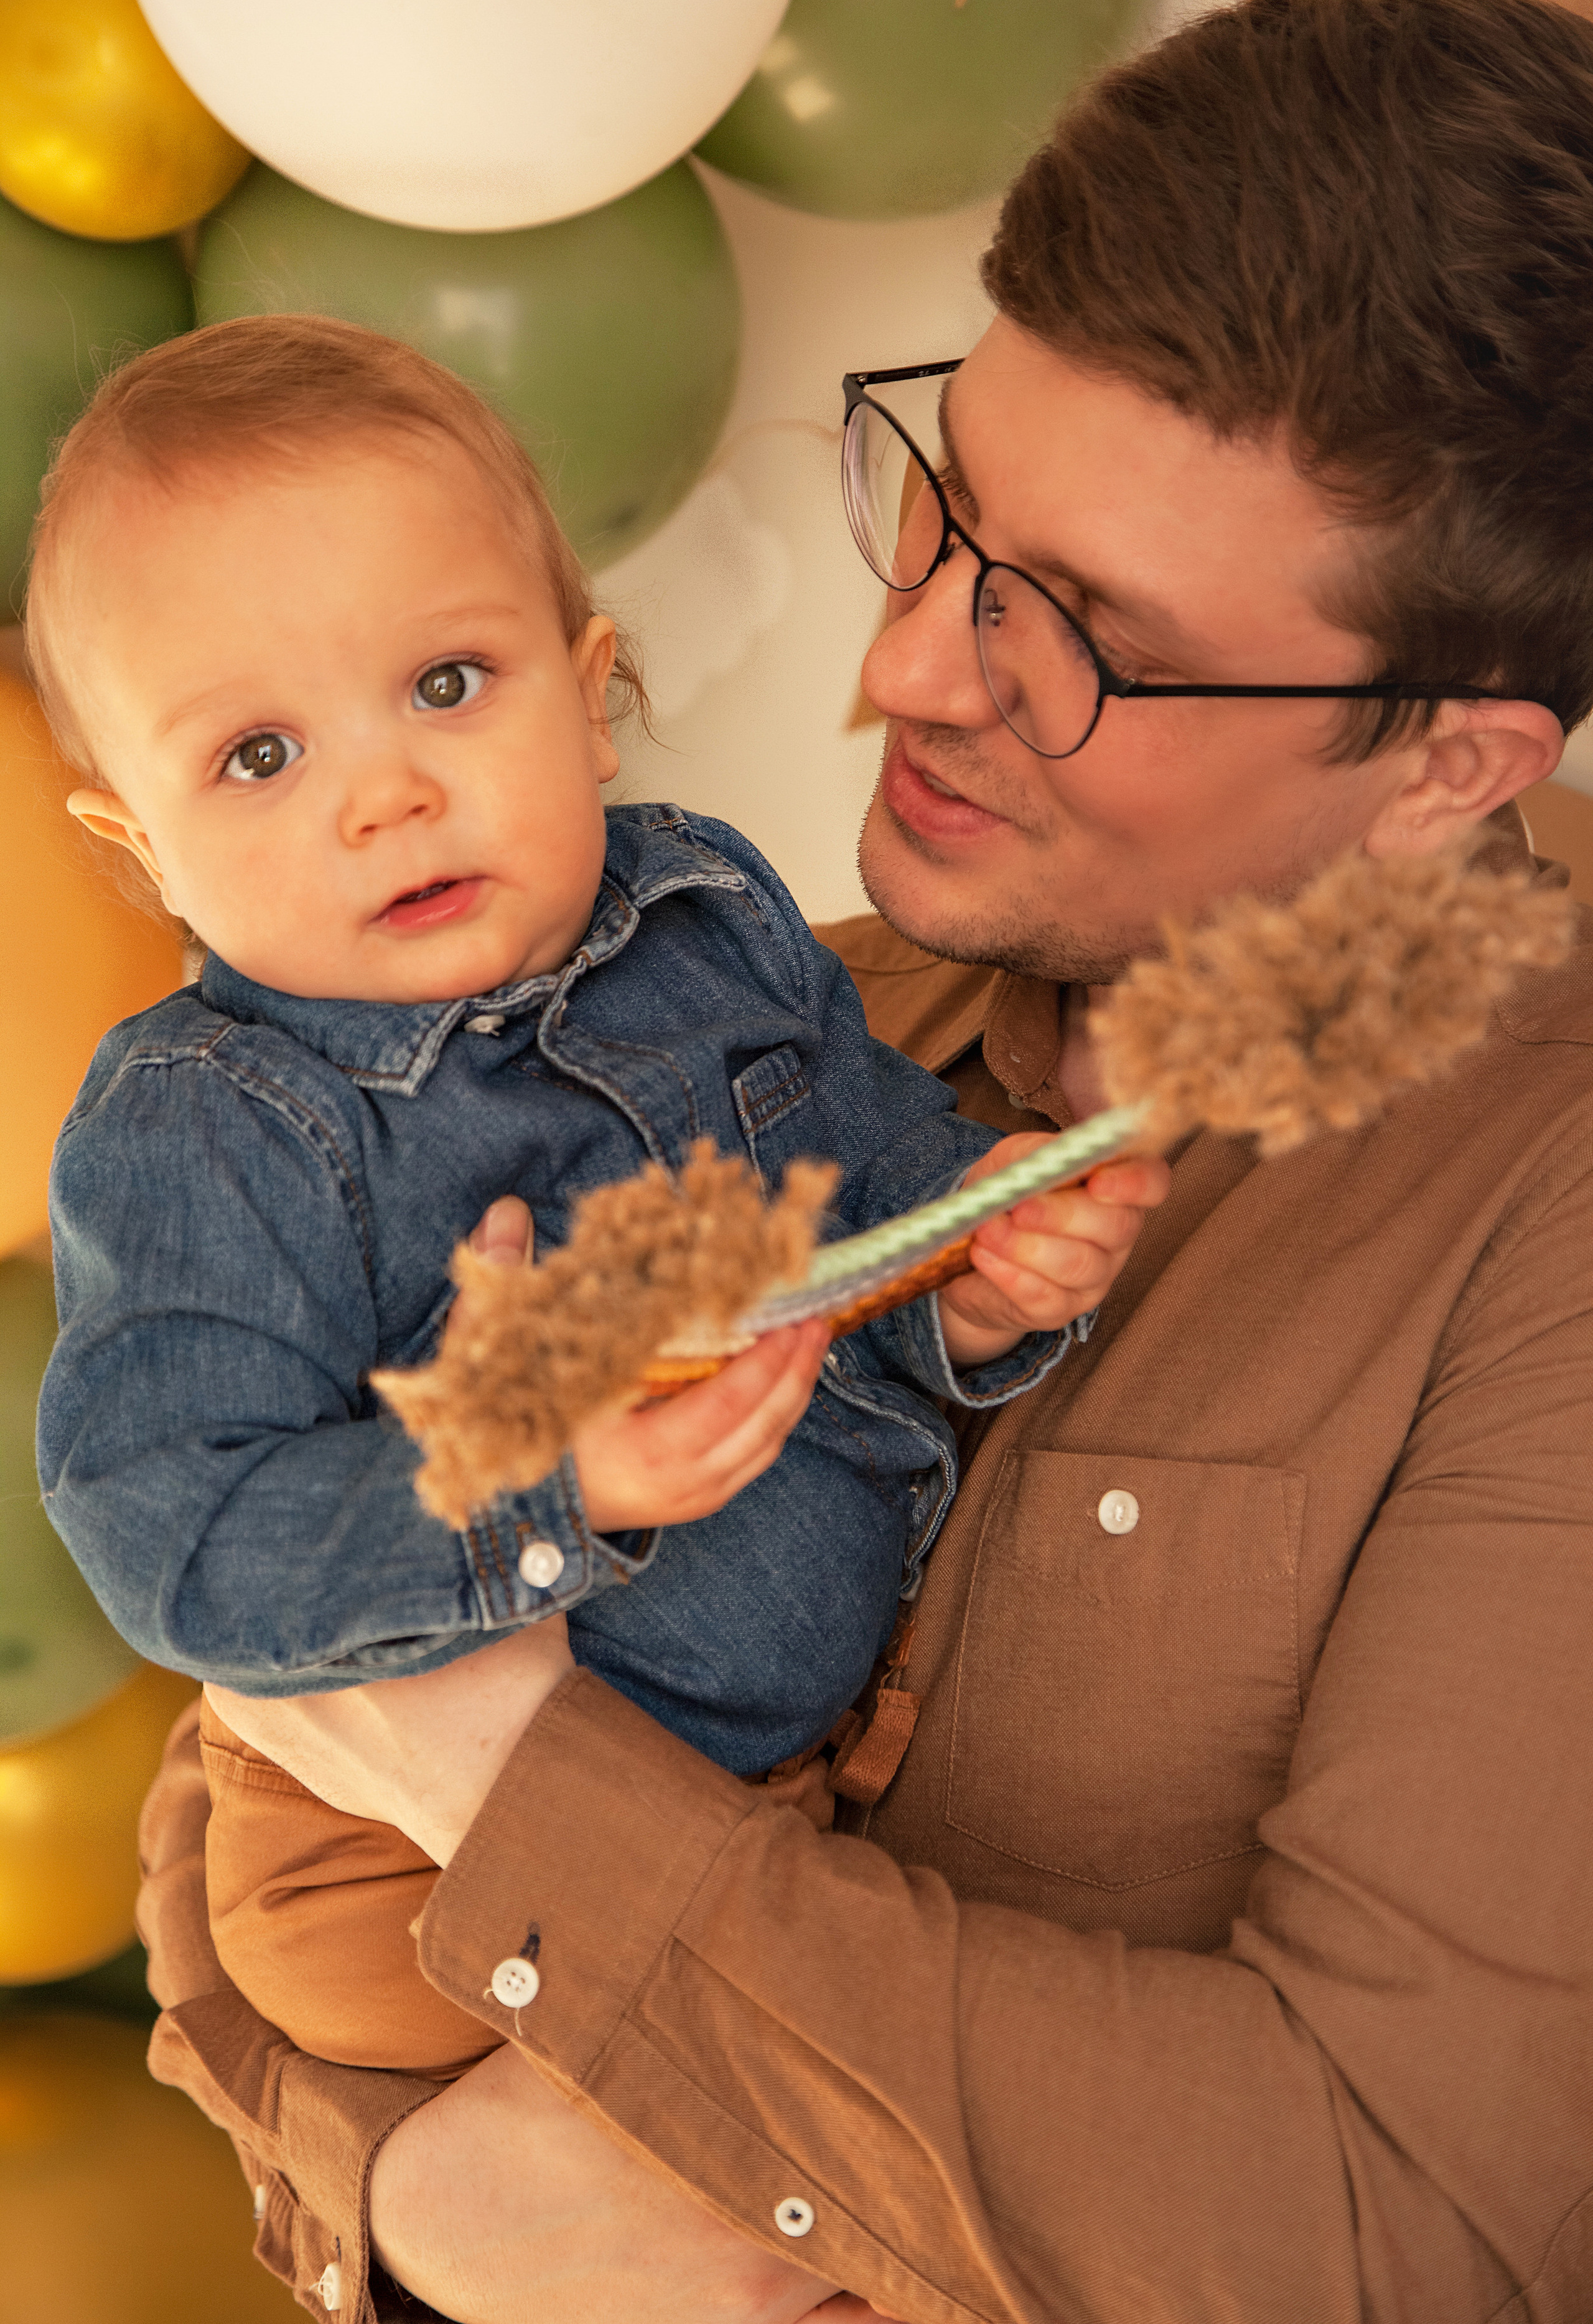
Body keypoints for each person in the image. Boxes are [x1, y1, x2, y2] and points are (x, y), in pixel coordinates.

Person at [138, 0, 1592, 2324]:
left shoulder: (1549, 1231)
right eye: (944, 504)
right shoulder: (736, 1004)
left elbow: (1387, 2233)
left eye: (1086, 636)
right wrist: (420, 2211)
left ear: (1445, 765)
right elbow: (227, 1821)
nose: (906, 666)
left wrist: (504, 1772)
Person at [30, 314, 1161, 2083]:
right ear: (138, 848)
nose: (388, 794)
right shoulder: (214, 1123)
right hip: (395, 1863)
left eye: (448, 684)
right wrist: (542, 1477)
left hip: (763, 1809)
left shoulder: (710, 926)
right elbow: (168, 1526)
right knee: (739, 2129)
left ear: (592, 690)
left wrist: (975, 1258)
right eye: (258, 756)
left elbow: (867, 1179)